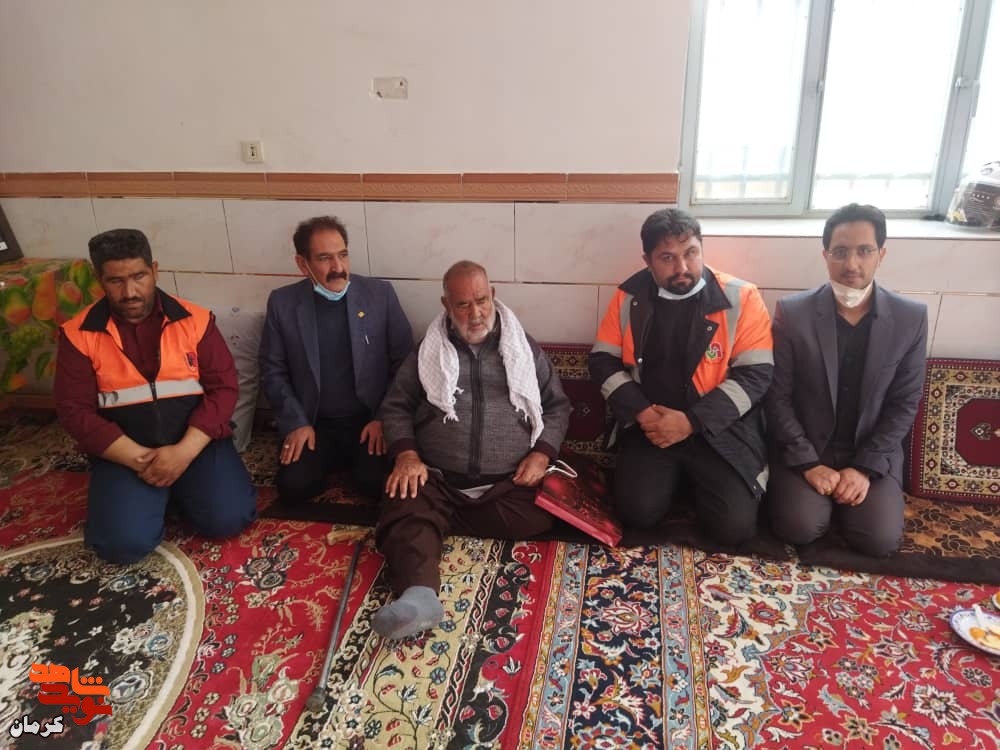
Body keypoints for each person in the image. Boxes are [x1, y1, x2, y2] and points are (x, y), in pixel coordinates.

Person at [373, 261, 571, 639]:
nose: (475, 313)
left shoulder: (522, 347)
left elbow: (558, 406)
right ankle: (419, 598)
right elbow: (396, 407)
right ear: (446, 304)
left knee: (543, 513)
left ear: (493, 296)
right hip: (439, 479)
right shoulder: (428, 350)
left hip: (506, 484)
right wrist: (408, 456)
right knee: (402, 498)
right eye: (463, 304)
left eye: (481, 300)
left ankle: (437, 522)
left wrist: (542, 454)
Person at [55, 228, 257, 563]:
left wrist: (183, 453)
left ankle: (170, 492)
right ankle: (158, 494)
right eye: (116, 281)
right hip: (125, 453)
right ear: (99, 279)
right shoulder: (79, 335)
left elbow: (224, 388)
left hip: (194, 443)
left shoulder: (195, 321)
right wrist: (140, 459)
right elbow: (74, 411)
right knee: (122, 546)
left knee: (229, 519)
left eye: (139, 277)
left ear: (155, 270)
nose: (130, 292)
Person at [589, 208, 773, 545]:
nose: (683, 267)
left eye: (691, 253)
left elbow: (756, 374)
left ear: (702, 248)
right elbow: (602, 361)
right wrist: (643, 413)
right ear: (647, 261)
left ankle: (693, 482)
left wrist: (691, 422)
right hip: (651, 427)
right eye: (667, 258)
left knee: (734, 529)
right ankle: (675, 480)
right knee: (637, 513)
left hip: (719, 429)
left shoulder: (741, 297)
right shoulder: (629, 296)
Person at [765, 203, 927, 556]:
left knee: (878, 540)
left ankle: (849, 500)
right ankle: (821, 504)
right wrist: (808, 462)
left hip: (871, 450)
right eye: (840, 252)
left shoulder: (910, 318)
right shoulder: (793, 313)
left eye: (864, 251)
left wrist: (864, 468)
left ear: (881, 255)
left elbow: (904, 403)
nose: (851, 264)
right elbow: (777, 396)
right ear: (825, 255)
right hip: (808, 447)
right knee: (799, 526)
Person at [259, 216, 414, 504]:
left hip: (368, 421)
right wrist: (296, 422)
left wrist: (383, 418)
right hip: (315, 423)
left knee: (377, 485)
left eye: (342, 255)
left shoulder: (379, 295)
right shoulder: (283, 303)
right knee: (294, 486)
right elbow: (273, 371)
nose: (338, 267)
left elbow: (405, 364)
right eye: (324, 258)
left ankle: (355, 464)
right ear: (302, 264)